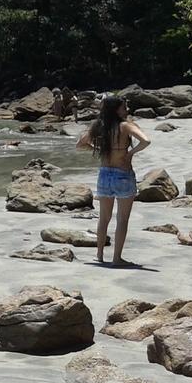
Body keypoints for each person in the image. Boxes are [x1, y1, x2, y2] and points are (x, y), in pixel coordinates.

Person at [76, 95, 151, 266]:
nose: (127, 110)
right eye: (124, 107)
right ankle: (117, 258)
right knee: (122, 220)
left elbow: (80, 144)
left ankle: (100, 255)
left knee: (104, 218)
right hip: (123, 175)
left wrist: (98, 148)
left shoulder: (99, 126)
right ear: (116, 109)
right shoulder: (125, 126)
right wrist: (130, 153)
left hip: (104, 175)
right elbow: (146, 141)